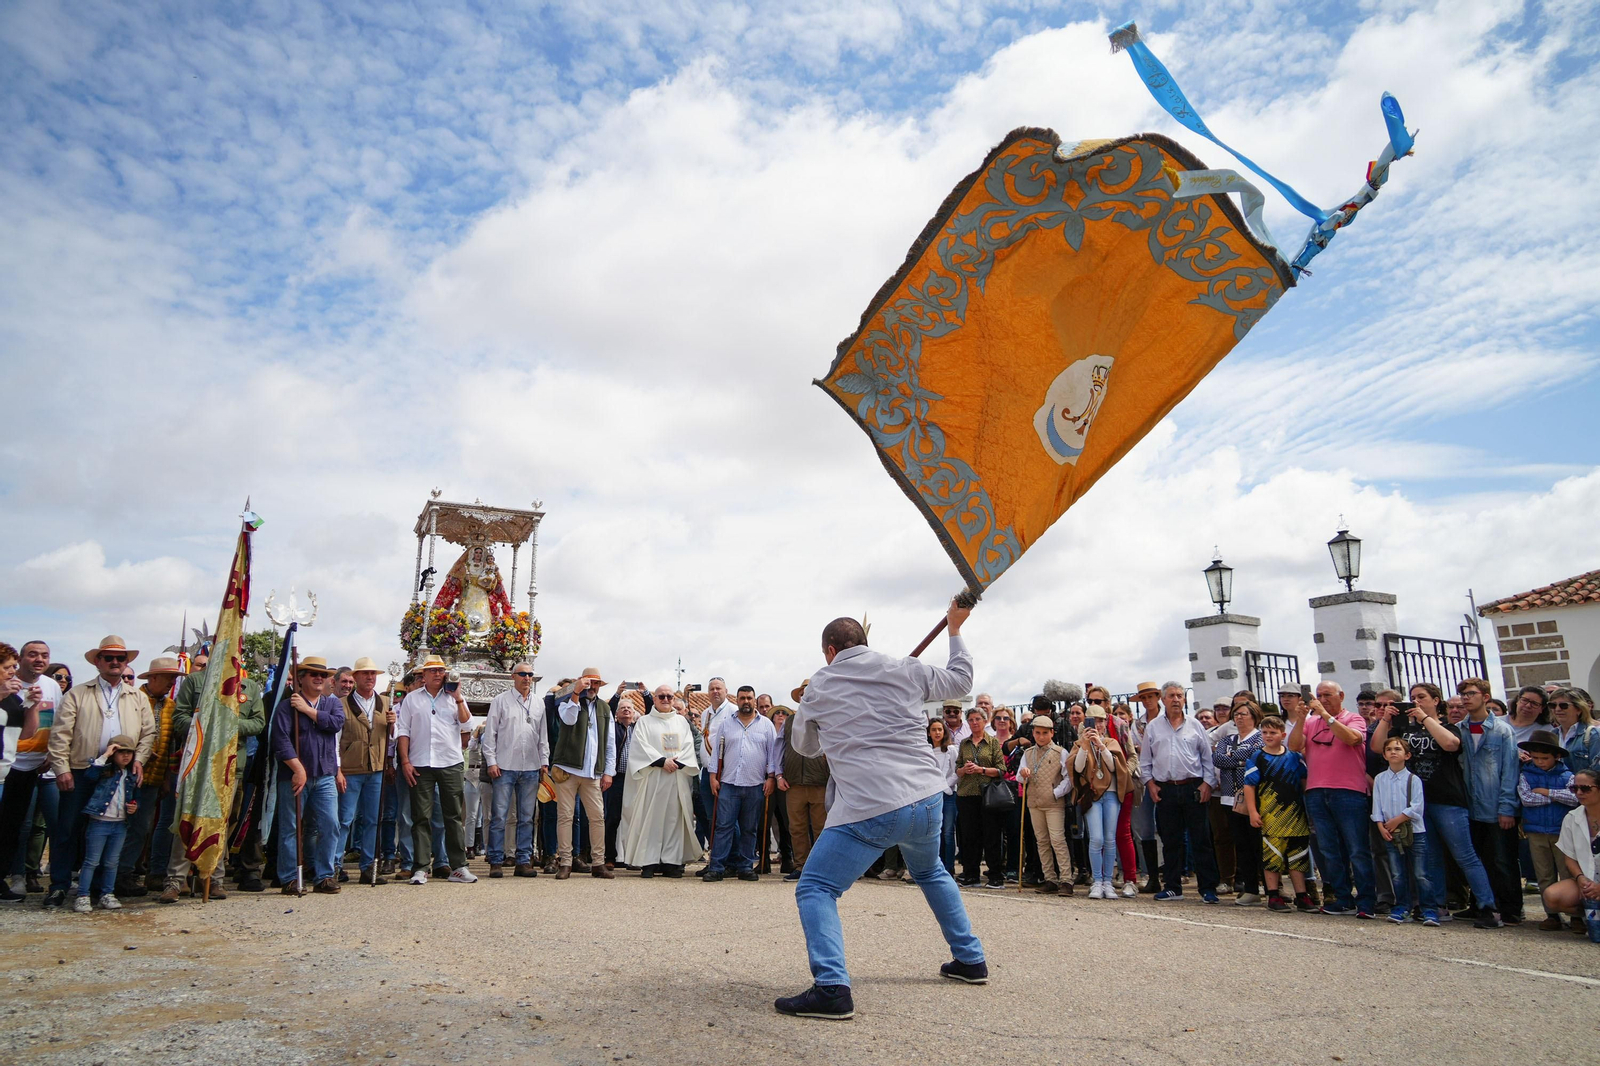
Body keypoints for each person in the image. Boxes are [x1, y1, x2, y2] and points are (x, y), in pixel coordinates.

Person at [775, 600, 985, 1022]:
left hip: (870, 806)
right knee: (931, 872)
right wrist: (955, 630)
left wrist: (818, 712)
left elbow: (805, 747)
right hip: (927, 799)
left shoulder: (820, 684)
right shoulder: (904, 668)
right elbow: (961, 679)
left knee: (815, 888)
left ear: (830, 650)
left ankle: (832, 987)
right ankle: (970, 959)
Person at [1369, 684, 1503, 928]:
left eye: (1421, 698)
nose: (1415, 702)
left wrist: (1426, 719)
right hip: (1416, 804)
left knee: (1465, 855)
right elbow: (1378, 747)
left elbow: (1451, 744)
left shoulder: (1449, 726)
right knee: (1430, 858)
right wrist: (1386, 721)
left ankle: (1488, 907)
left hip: (1447, 799)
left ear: (1436, 700)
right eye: (1412, 699)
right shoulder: (1404, 729)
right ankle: (1437, 904)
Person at [46, 636, 156, 909]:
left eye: (120, 658)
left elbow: (148, 733)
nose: (115, 663)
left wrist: (139, 760)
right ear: (98, 661)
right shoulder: (78, 693)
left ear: (127, 662)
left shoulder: (137, 697)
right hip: (82, 769)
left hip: (119, 773)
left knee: (111, 829)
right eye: (109, 658)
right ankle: (59, 885)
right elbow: (60, 735)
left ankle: (97, 888)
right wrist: (61, 768)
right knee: (69, 828)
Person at [1288, 681, 1375, 918]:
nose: (1322, 699)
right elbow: (1294, 746)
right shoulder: (1311, 722)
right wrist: (1301, 719)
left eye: (1327, 695)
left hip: (1349, 791)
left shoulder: (1353, 718)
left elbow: (1352, 739)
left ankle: (1367, 900)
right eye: (1318, 695)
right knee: (1329, 850)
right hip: (1317, 791)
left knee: (1357, 848)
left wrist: (1325, 714)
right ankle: (1342, 898)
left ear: (1341, 695)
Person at [395, 656, 476, 886]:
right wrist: (405, 761)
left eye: (441, 670)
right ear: (424, 675)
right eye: (432, 671)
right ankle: (420, 867)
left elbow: (467, 725)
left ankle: (458, 866)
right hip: (420, 762)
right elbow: (403, 731)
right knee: (421, 817)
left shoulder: (454, 698)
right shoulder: (411, 699)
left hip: (450, 761)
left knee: (453, 816)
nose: (438, 674)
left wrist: (459, 697)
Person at [1138, 681, 1220, 903]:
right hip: (1166, 790)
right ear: (1163, 700)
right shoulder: (1153, 728)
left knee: (1201, 840)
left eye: (1180, 695)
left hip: (1194, 788)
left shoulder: (1195, 726)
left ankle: (1208, 889)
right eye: (1171, 695)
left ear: (1185, 700)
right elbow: (1145, 761)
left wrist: (1207, 784)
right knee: (1170, 840)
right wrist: (1150, 784)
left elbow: (1207, 760)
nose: (1176, 699)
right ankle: (1173, 887)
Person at [271, 656, 346, 895]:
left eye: (323, 675)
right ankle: (290, 878)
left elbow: (335, 724)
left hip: (325, 775)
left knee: (330, 824)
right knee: (291, 827)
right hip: (294, 776)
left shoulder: (331, 704)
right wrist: (298, 769)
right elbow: (280, 740)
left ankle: (324, 875)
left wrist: (307, 711)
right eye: (313, 674)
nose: (318, 678)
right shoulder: (286, 707)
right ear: (301, 678)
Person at [1455, 678, 1522, 924]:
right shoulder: (1459, 729)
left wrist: (1507, 808)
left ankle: (1511, 908)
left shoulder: (1502, 730)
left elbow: (1509, 771)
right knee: (1476, 857)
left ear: (1485, 696)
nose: (1465, 698)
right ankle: (1480, 904)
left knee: (1502, 860)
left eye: (1471, 693)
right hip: (1469, 807)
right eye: (1462, 694)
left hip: (1495, 806)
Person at [114, 656, 182, 897]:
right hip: (126, 773)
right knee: (118, 823)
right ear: (152, 678)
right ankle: (111, 874)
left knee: (140, 827)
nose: (171, 683)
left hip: (153, 778)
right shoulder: (131, 699)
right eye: (168, 678)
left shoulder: (171, 706)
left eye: (174, 679)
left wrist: (164, 777)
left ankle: (124, 873)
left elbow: (169, 745)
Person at [618, 683, 700, 877]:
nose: (665, 700)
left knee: (674, 821)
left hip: (676, 779)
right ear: (654, 699)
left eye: (669, 697)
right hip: (654, 778)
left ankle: (672, 862)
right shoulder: (645, 722)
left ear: (674, 699)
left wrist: (677, 763)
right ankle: (649, 862)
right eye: (661, 696)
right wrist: (662, 761)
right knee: (651, 820)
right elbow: (639, 746)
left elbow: (688, 745)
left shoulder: (681, 722)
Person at [481, 661, 550, 878]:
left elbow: (543, 736)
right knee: (499, 816)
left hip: (530, 766)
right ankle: (496, 860)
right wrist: (491, 761)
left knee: (527, 817)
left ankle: (523, 860)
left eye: (530, 674)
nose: (527, 678)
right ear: (513, 676)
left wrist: (544, 762)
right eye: (522, 674)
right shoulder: (501, 701)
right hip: (505, 766)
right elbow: (490, 734)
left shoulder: (538, 704)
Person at [0, 641, 56, 904]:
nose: (12, 672)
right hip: (9, 768)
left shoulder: (17, 695)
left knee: (11, 826)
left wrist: (31, 705)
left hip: (17, 768)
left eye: (44, 655)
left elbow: (26, 732)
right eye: (8, 667)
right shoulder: (5, 692)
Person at [1242, 715, 1315, 913]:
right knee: (1271, 857)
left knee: (1298, 857)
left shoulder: (1294, 756)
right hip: (1271, 816)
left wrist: (1309, 808)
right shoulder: (1257, 757)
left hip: (1296, 814)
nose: (1268, 736)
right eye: (1264, 732)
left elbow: (1303, 781)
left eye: (1272, 732)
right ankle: (1273, 895)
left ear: (1283, 735)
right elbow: (1249, 786)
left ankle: (1302, 896)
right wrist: (1253, 812)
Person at [704, 684, 777, 882]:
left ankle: (745, 867)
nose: (746, 701)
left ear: (754, 701)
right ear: (737, 700)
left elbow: (773, 754)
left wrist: (771, 777)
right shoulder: (726, 724)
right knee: (723, 827)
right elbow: (716, 754)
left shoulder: (766, 725)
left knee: (749, 828)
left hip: (755, 785)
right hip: (728, 783)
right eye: (742, 698)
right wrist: (712, 776)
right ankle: (717, 867)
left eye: (749, 698)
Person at [552, 667, 618, 880]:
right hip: (568, 769)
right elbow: (569, 720)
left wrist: (608, 771)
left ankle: (598, 862)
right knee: (565, 817)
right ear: (581, 682)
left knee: (597, 817)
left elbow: (609, 743)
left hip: (592, 772)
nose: (593, 687)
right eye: (589, 683)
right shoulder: (567, 702)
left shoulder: (604, 708)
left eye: (596, 683)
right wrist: (575, 693)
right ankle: (565, 862)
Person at [334, 657, 392, 886]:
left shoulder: (385, 702)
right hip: (350, 769)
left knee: (372, 820)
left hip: (376, 769)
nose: (370, 677)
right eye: (365, 674)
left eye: (373, 674)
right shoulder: (341, 704)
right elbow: (335, 739)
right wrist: (337, 768)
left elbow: (391, 738)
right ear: (356, 677)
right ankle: (335, 866)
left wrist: (393, 724)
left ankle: (369, 866)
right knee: (344, 819)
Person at [1516, 729, 1577, 929]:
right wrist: (1556, 797)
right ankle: (1552, 914)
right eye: (1535, 758)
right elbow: (1527, 799)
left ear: (1556, 757)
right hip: (1536, 832)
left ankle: (1575, 914)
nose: (1540, 762)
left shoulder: (1567, 775)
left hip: (1562, 832)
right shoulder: (1526, 774)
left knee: (1567, 873)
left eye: (1545, 758)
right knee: (1544, 874)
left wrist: (1545, 791)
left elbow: (1574, 798)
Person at [72, 735, 140, 913]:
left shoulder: (131, 775)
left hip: (120, 823)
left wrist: (133, 807)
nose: (125, 756)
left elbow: (134, 797)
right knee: (91, 861)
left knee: (111, 862)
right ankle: (83, 895)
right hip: (99, 822)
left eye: (129, 753)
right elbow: (90, 775)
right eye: (121, 752)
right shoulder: (104, 770)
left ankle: (107, 893)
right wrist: (105, 755)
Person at [1069, 707, 1129, 900]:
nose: (1097, 725)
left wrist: (1101, 746)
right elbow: (1077, 769)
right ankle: (1097, 881)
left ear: (1105, 723)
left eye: (1101, 721)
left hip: (1110, 795)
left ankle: (1107, 882)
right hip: (1092, 796)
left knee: (1110, 839)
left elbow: (1114, 767)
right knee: (1096, 839)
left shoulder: (1111, 742)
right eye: (1092, 722)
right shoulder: (1079, 744)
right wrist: (1086, 745)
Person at [1371, 735, 1428, 924]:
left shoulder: (1414, 779)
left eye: (1397, 749)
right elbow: (1376, 806)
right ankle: (1401, 907)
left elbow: (1417, 806)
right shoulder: (1380, 779)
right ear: (1385, 755)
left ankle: (1427, 908)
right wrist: (1381, 825)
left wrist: (1397, 820)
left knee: (1420, 873)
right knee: (1397, 873)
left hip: (1415, 832)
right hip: (1390, 833)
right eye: (1389, 750)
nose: (1393, 752)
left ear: (1407, 755)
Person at [1214, 700, 1265, 905]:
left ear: (1254, 716)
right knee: (1241, 844)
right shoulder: (1227, 739)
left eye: (1244, 714)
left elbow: (1256, 755)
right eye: (1237, 714)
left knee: (1258, 843)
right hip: (1229, 798)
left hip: (1254, 798)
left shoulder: (1260, 738)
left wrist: (1233, 759)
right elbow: (1218, 759)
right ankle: (1250, 887)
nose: (1239, 717)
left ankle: (1268, 885)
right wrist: (1241, 760)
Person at [1540, 768, 1600, 938]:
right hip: (1588, 879)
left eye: (1586, 788)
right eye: (1575, 789)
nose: (1579, 793)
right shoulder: (1571, 818)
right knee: (1551, 896)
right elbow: (1569, 857)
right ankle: (1590, 913)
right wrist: (1581, 879)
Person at [778, 688, 830, 882]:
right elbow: (779, 747)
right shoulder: (789, 721)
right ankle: (801, 867)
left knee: (821, 828)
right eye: (803, 694)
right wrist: (778, 774)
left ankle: (821, 868)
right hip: (794, 783)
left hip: (819, 782)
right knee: (797, 828)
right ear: (799, 698)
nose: (805, 696)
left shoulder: (827, 717)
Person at [1016, 714, 1069, 894]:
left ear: (1052, 733)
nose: (1040, 736)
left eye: (1044, 733)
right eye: (1037, 733)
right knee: (1042, 841)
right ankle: (1050, 879)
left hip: (1053, 803)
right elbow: (1018, 776)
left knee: (1057, 840)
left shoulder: (1060, 752)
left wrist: (1056, 793)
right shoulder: (1028, 752)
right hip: (1034, 802)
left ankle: (1067, 880)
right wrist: (1023, 773)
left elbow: (1068, 778)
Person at [955, 707, 1005, 888]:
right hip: (967, 793)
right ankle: (971, 874)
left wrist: (981, 770)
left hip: (987, 795)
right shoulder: (964, 744)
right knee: (969, 837)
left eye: (978, 719)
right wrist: (964, 770)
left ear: (985, 721)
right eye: (971, 720)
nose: (974, 723)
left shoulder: (992, 743)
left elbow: (1001, 770)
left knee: (991, 836)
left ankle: (995, 876)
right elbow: (957, 768)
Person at [1130, 681, 1163, 893]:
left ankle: (1170, 873)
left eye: (1151, 696)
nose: (1147, 700)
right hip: (1144, 777)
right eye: (1144, 697)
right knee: (1144, 829)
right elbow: (1135, 749)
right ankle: (1152, 876)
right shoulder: (1137, 724)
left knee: (1167, 828)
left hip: (1165, 777)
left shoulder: (1167, 720)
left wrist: (1145, 748)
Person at [604, 690, 642, 869]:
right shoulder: (613, 727)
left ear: (635, 713)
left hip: (635, 779)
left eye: (629, 708)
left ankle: (633, 858)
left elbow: (650, 711)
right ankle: (610, 857)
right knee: (613, 818)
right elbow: (609, 709)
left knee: (635, 818)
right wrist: (618, 695)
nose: (626, 710)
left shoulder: (640, 729)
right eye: (623, 708)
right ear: (617, 714)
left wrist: (646, 694)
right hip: (617, 778)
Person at [927, 718, 959, 877]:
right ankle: (934, 867)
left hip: (948, 796)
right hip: (931, 796)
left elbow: (956, 772)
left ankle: (948, 868)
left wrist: (945, 787)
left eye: (940, 729)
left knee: (947, 832)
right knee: (934, 833)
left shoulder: (951, 750)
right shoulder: (926, 751)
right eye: (934, 730)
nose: (937, 733)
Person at [1551, 688, 1600, 774]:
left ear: (1579, 709)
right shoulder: (1552, 735)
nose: (1557, 709)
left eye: (1563, 705)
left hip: (1581, 786)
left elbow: (1597, 772)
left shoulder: (1593, 735)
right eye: (1552, 705)